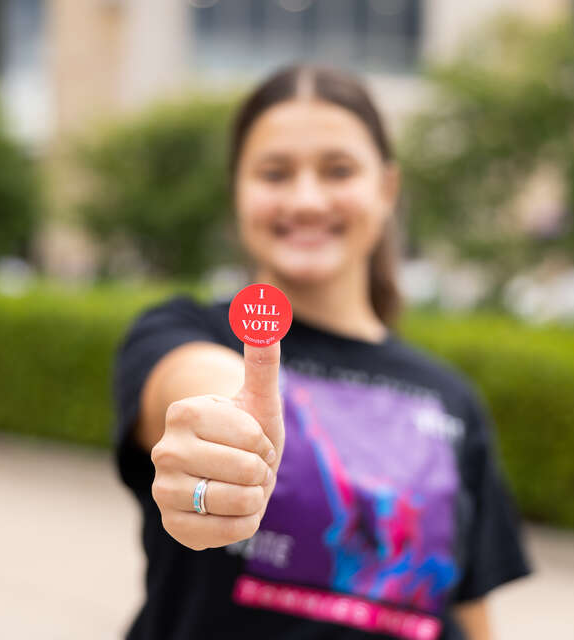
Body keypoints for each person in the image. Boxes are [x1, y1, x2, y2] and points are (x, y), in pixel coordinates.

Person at [113, 64, 530, 640]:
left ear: (386, 189)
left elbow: (469, 610)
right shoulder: (182, 331)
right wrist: (221, 434)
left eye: (338, 170)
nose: (306, 200)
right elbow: (192, 385)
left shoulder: (451, 399)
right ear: (238, 188)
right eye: (275, 173)